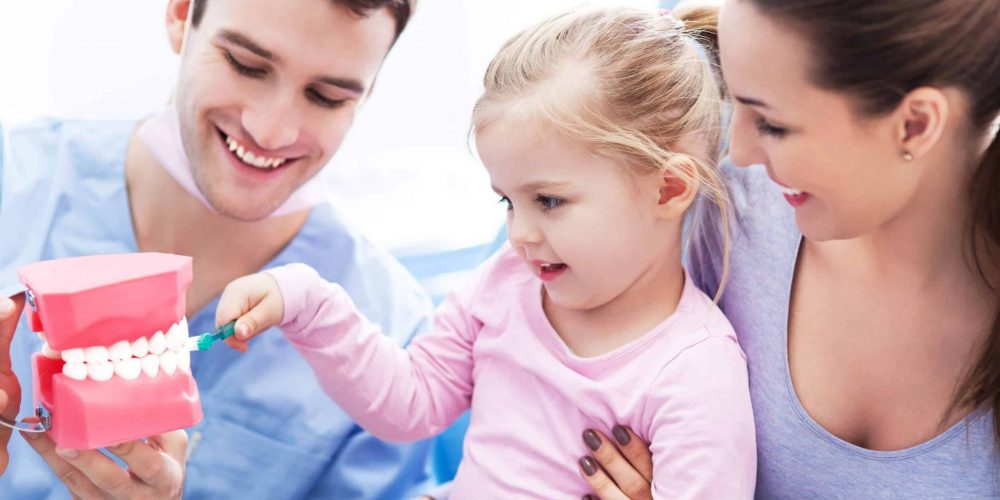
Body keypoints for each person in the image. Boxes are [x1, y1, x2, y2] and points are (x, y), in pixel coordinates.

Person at [215, 7, 757, 499]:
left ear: (667, 190)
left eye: (548, 200)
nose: (519, 233)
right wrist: (307, 303)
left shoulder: (693, 374)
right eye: (508, 200)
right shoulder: (505, 284)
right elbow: (412, 402)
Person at [0, 0, 441, 497]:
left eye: (326, 96)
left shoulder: (395, 351)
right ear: (180, 15)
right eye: (246, 66)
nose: (271, 130)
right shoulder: (12, 183)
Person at [574, 0, 1000, 498]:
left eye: (773, 125)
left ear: (915, 125)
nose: (741, 151)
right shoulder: (720, 206)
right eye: (738, 104)